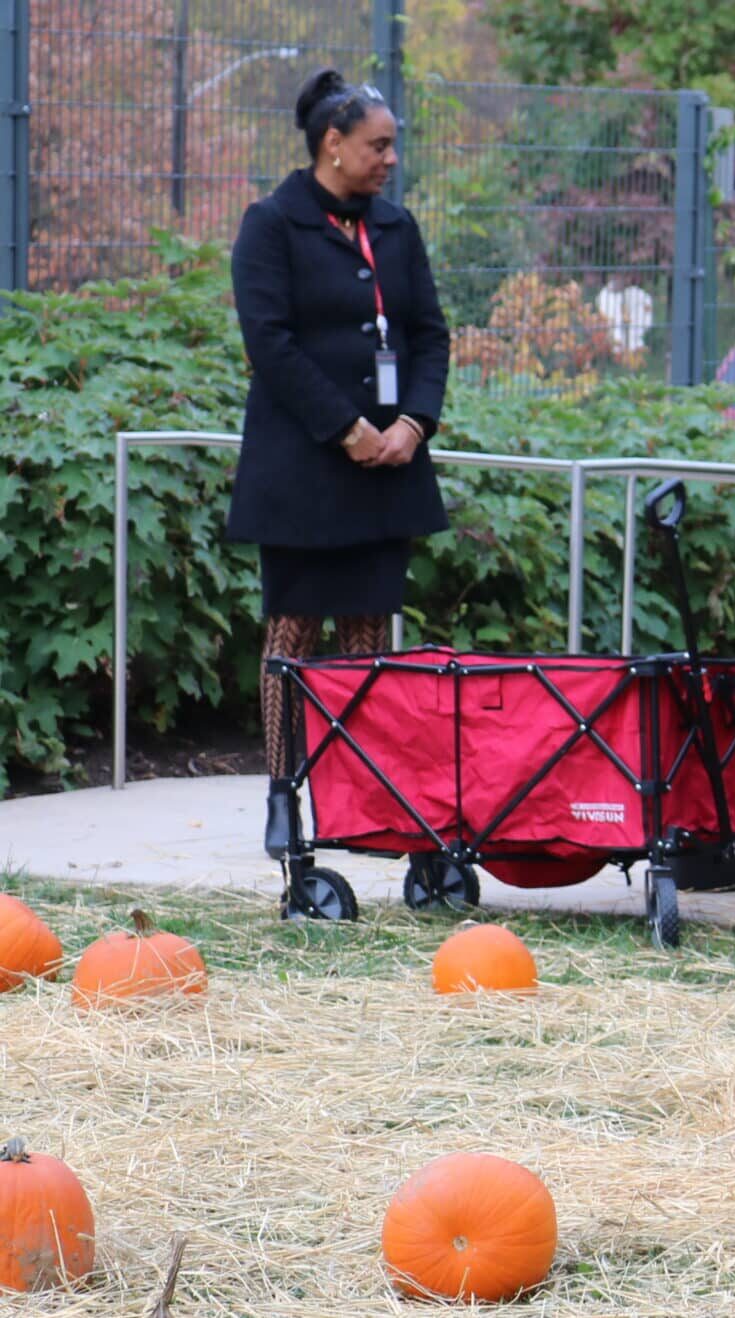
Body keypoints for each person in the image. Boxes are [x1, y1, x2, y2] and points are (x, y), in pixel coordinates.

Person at [232, 70, 450, 862]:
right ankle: (284, 795)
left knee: (367, 634)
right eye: (378, 145)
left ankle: (361, 791)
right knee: (292, 633)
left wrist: (414, 423)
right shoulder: (272, 224)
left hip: (387, 470)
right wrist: (347, 427)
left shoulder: (396, 229)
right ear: (333, 145)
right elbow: (270, 343)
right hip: (301, 474)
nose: (390, 159)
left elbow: (428, 334)